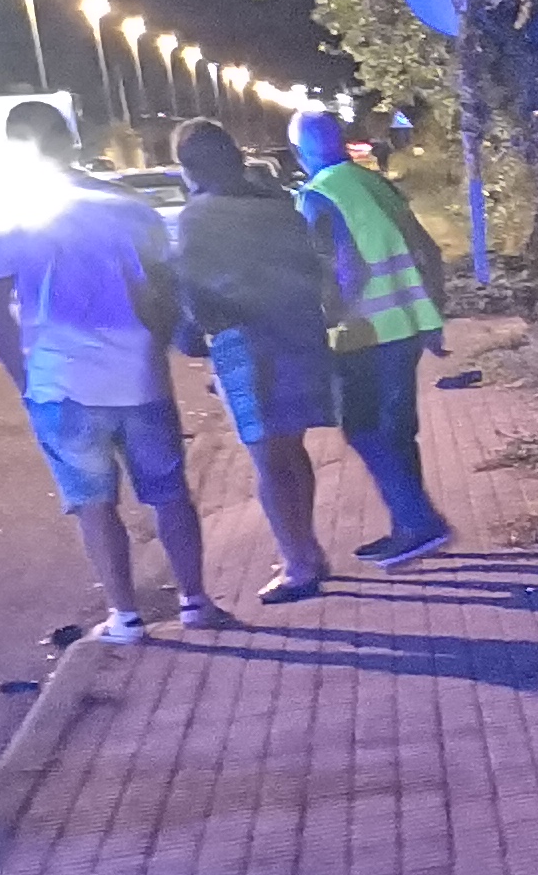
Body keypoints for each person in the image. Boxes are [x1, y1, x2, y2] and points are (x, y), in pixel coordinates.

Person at [0, 101, 226, 646]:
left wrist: (25, 379)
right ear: (70, 139)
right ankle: (196, 601)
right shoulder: (126, 205)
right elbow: (164, 287)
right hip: (139, 374)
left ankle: (126, 618)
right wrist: (156, 344)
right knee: (168, 492)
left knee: (93, 502)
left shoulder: (4, 214)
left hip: (60, 381)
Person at [166, 118, 337, 601]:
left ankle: (299, 563)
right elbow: (308, 265)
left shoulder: (199, 216)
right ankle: (308, 550)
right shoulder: (277, 204)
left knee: (267, 458)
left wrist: (194, 337)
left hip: (248, 343)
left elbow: (195, 291)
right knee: (292, 449)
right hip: (300, 334)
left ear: (190, 167)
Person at [290, 107, 454, 566]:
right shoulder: (374, 182)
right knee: (397, 432)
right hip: (406, 325)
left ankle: (419, 522)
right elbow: (428, 248)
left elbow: (342, 266)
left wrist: (328, 320)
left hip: (363, 332)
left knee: (363, 429)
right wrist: (433, 315)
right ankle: (411, 524)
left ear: (299, 152)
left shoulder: (318, 195)